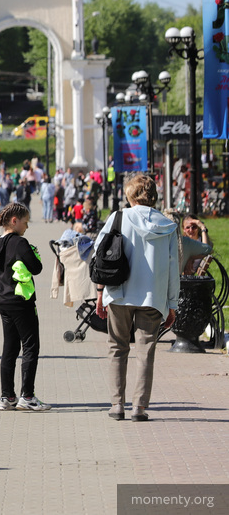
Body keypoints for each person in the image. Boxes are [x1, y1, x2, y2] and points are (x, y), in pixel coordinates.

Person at [95, 174, 178, 422]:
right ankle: (139, 407)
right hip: (153, 296)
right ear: (153, 197)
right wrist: (172, 304)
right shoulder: (168, 225)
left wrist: (100, 293)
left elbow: (100, 257)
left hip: (119, 292)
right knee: (146, 351)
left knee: (117, 348)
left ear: (130, 195)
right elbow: (174, 267)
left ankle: (117, 404)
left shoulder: (118, 218)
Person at [0, 202, 49, 411]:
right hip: (21, 301)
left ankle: (7, 396)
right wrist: (33, 253)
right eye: (25, 222)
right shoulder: (20, 243)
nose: (27, 227)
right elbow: (37, 267)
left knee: (10, 348)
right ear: (14, 221)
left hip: (3, 301)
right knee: (31, 346)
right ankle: (28, 396)